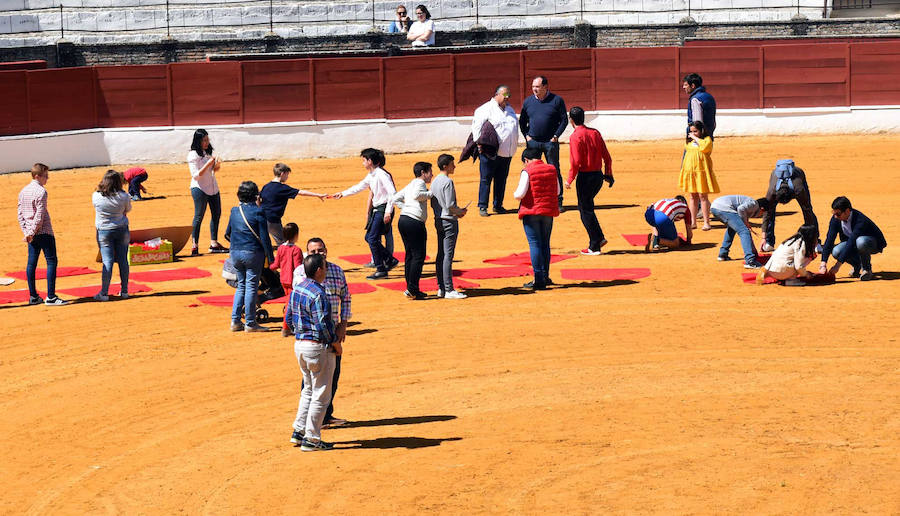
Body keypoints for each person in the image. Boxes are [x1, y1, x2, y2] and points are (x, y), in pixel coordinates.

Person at [291, 238, 351, 429]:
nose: (317, 254)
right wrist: (334, 342)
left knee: (318, 384)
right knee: (318, 387)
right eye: (313, 252)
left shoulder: (336, 271)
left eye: (320, 251)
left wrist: (343, 323)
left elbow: (346, 297)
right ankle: (312, 432)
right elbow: (321, 323)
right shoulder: (309, 284)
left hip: (307, 339)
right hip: (320, 339)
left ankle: (306, 426)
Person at [287, 253, 341, 452]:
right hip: (317, 346)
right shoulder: (319, 293)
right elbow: (323, 325)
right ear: (318, 271)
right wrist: (334, 342)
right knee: (321, 394)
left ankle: (299, 431)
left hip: (300, 344)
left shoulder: (297, 289)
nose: (326, 270)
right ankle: (312, 438)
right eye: (325, 267)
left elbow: (289, 317)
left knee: (308, 390)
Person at [330, 148, 397, 280]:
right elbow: (359, 186)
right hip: (379, 208)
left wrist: (388, 211)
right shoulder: (372, 174)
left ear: (370, 161)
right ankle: (388, 260)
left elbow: (392, 193)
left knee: (372, 238)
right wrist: (342, 193)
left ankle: (381, 268)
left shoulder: (382, 174)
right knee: (370, 238)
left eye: (364, 160)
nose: (362, 163)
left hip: (383, 209)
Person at [224, 181, 274, 332]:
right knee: (251, 286)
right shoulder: (259, 212)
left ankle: (235, 321)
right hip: (252, 253)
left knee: (241, 286)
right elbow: (265, 238)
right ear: (256, 196)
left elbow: (227, 234)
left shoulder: (234, 211)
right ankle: (250, 323)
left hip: (235, 253)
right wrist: (271, 258)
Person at [17, 163, 67, 306]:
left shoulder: (23, 191)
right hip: (43, 232)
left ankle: (33, 296)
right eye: (45, 176)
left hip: (30, 234)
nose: (47, 178)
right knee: (51, 261)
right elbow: (39, 217)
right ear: (37, 176)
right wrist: (31, 232)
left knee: (31, 264)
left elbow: (20, 214)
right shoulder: (41, 192)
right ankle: (50, 296)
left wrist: (27, 232)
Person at [565, 106, 613, 255]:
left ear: (571, 121)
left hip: (585, 178)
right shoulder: (595, 133)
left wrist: (569, 180)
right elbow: (607, 156)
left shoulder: (575, 136)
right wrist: (608, 174)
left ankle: (595, 244)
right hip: (598, 176)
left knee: (585, 210)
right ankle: (598, 238)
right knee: (588, 208)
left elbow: (576, 162)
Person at [515, 147, 561, 290]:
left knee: (534, 244)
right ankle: (545, 276)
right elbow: (558, 191)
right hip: (548, 211)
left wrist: (514, 194)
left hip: (531, 212)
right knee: (544, 244)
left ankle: (538, 279)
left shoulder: (527, 171)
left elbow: (519, 194)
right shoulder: (552, 169)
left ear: (526, 160)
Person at [519, 75, 568, 208]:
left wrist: (556, 136)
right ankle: (534, 200)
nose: (534, 89)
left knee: (554, 169)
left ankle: (558, 200)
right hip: (533, 141)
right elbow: (522, 121)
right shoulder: (528, 102)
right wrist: (526, 136)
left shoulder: (557, 100)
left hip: (550, 142)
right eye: (533, 86)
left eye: (537, 87)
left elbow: (564, 120)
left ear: (545, 87)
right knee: (531, 171)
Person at [472, 85, 518, 217]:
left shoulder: (510, 110)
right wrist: (479, 144)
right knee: (486, 179)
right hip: (490, 151)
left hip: (507, 152)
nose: (507, 99)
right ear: (497, 94)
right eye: (505, 96)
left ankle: (498, 205)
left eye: (509, 96)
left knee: (501, 179)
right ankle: (483, 206)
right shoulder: (485, 109)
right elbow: (476, 128)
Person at [819, 196, 887, 281]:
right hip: (854, 243)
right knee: (836, 251)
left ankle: (866, 269)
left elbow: (851, 241)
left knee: (860, 242)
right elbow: (829, 239)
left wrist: (837, 266)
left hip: (873, 243)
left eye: (838, 214)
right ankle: (857, 265)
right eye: (834, 213)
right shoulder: (835, 219)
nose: (835, 216)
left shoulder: (860, 219)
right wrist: (823, 264)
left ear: (847, 211)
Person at [392, 161, 434, 300]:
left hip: (403, 220)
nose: (432, 175)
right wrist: (431, 194)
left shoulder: (411, 184)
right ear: (423, 173)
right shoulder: (420, 184)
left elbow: (395, 198)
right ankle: (412, 288)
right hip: (414, 222)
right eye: (430, 172)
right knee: (418, 256)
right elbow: (417, 195)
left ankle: (411, 287)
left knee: (410, 255)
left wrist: (405, 208)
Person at [259, 163, 326, 246]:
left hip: (261, 217)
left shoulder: (266, 186)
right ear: (282, 173)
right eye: (287, 175)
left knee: (263, 241)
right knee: (283, 244)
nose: (287, 177)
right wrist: (318, 195)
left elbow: (258, 198)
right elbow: (301, 192)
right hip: (272, 220)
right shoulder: (282, 188)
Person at [760, 159, 819, 252]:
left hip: (799, 176)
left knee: (808, 210)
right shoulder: (772, 191)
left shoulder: (798, 189)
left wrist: (814, 240)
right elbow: (766, 213)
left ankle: (815, 241)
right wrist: (763, 237)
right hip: (775, 177)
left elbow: (807, 209)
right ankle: (769, 242)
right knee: (770, 211)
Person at [431, 154, 469, 299]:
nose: (454, 166)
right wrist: (460, 212)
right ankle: (448, 289)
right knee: (448, 255)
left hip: (438, 219)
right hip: (448, 220)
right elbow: (450, 205)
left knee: (441, 254)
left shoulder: (434, 181)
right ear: (445, 166)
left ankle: (441, 287)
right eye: (452, 164)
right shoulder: (448, 181)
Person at [92, 170, 132, 301]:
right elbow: (127, 210)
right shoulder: (124, 196)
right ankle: (125, 291)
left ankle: (104, 293)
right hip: (121, 229)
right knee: (123, 260)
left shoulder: (96, 196)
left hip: (104, 231)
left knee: (107, 261)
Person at [188, 129, 227, 256]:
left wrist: (216, 165)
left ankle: (214, 243)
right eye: (204, 140)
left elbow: (213, 171)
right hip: (199, 189)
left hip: (213, 187)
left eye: (207, 140)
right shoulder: (193, 155)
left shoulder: (208, 152)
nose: (206, 142)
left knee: (217, 214)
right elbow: (196, 176)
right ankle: (194, 246)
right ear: (198, 141)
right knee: (199, 216)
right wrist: (209, 163)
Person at [710, 194, 769, 269]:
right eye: (762, 213)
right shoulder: (754, 204)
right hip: (723, 208)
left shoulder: (751, 204)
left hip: (715, 207)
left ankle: (723, 254)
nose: (761, 215)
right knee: (744, 231)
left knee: (732, 228)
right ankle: (750, 261)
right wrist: (746, 223)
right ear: (762, 209)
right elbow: (741, 209)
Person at [679, 121, 719, 229]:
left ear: (701, 131)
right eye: (691, 131)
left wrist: (695, 138)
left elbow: (705, 148)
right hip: (691, 173)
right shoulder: (688, 143)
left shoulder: (707, 140)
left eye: (695, 131)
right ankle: (693, 221)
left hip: (701, 172)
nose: (692, 134)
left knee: (703, 196)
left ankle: (706, 222)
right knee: (692, 196)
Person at [270, 222, 304, 337]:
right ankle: (286, 328)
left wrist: (267, 267)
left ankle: (289, 326)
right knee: (291, 304)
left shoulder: (281, 248)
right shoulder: (296, 250)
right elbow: (298, 266)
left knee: (289, 302)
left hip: (284, 279)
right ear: (296, 235)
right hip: (294, 281)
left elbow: (276, 264)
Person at [683, 73, 716, 140]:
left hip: (699, 138)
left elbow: (697, 122)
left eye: (686, 85)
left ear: (692, 85)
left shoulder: (695, 99)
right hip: (708, 135)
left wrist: (695, 138)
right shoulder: (709, 96)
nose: (684, 87)